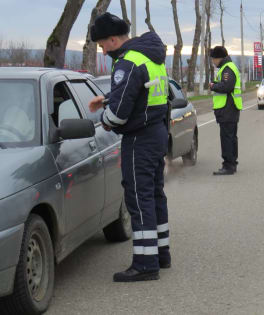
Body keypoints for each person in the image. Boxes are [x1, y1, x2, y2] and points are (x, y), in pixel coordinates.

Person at [88, 12, 171, 282]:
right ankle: (160, 253)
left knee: (138, 198)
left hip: (139, 139)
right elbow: (143, 90)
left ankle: (145, 265)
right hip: (157, 133)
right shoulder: (150, 56)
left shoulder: (127, 62)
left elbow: (120, 114)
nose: (102, 51)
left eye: (102, 45)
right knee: (155, 195)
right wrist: (109, 96)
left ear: (113, 39)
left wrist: (104, 119)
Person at [209, 46, 242, 175]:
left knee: (227, 137)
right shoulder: (227, 67)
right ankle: (232, 163)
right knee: (231, 137)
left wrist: (213, 86)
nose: (213, 61)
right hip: (230, 108)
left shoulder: (227, 68)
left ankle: (228, 165)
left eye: (213, 59)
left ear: (219, 58)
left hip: (227, 108)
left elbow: (227, 87)